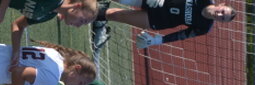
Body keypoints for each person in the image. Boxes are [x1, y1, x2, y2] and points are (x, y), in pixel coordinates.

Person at [92, 0, 236, 49]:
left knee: (116, 15)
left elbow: (181, 35)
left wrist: (156, 40)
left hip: (157, 20)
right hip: (155, 1)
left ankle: (85, 13)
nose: (220, 15)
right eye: (222, 11)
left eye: (223, 18)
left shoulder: (204, 27)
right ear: (221, 4)